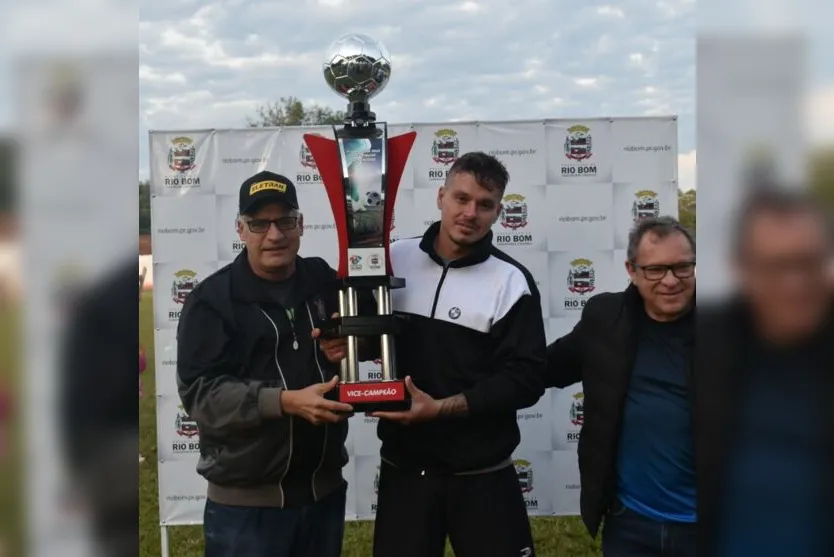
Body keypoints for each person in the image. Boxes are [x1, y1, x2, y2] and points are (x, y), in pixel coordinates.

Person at [176, 170, 375, 557]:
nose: (274, 235)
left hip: (323, 495)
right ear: (240, 229)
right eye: (259, 223)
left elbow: (369, 335)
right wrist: (285, 402)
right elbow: (201, 396)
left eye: (285, 221)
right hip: (245, 510)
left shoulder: (323, 279)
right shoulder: (211, 301)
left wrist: (351, 342)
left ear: (301, 224)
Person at [368, 151, 547, 557]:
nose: (471, 213)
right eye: (461, 198)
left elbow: (526, 378)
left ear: (499, 212)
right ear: (440, 196)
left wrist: (443, 408)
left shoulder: (511, 282)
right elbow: (364, 335)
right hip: (406, 472)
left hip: (482, 474)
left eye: (485, 205)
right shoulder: (394, 259)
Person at [545, 215, 697, 557]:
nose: (671, 281)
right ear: (632, 270)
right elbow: (542, 369)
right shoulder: (605, 317)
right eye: (656, 270)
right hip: (630, 524)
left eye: (683, 267)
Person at [699, 187, 834, 557]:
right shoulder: (707, 346)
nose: (795, 284)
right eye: (775, 267)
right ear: (740, 268)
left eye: (807, 263)